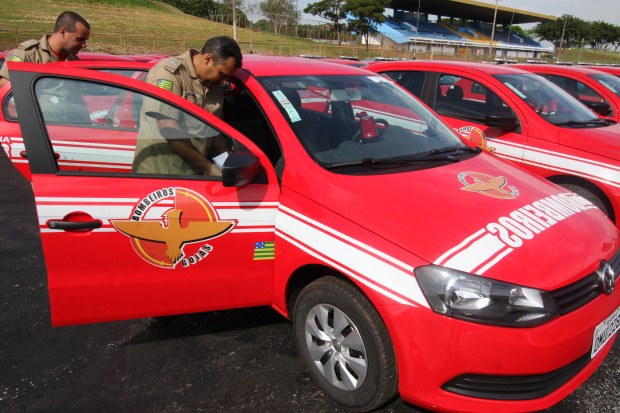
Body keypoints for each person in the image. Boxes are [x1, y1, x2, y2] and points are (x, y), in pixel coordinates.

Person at [132, 36, 243, 177]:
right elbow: (168, 128)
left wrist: (228, 166)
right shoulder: (169, 73)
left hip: (193, 174)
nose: (224, 82)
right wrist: (209, 168)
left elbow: (214, 135)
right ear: (208, 59)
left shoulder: (214, 86)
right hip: (161, 174)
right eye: (222, 74)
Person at [0, 11, 90, 87]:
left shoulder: (73, 60)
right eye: (80, 39)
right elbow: (4, 86)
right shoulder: (28, 55)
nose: (84, 45)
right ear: (62, 32)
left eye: (85, 40)